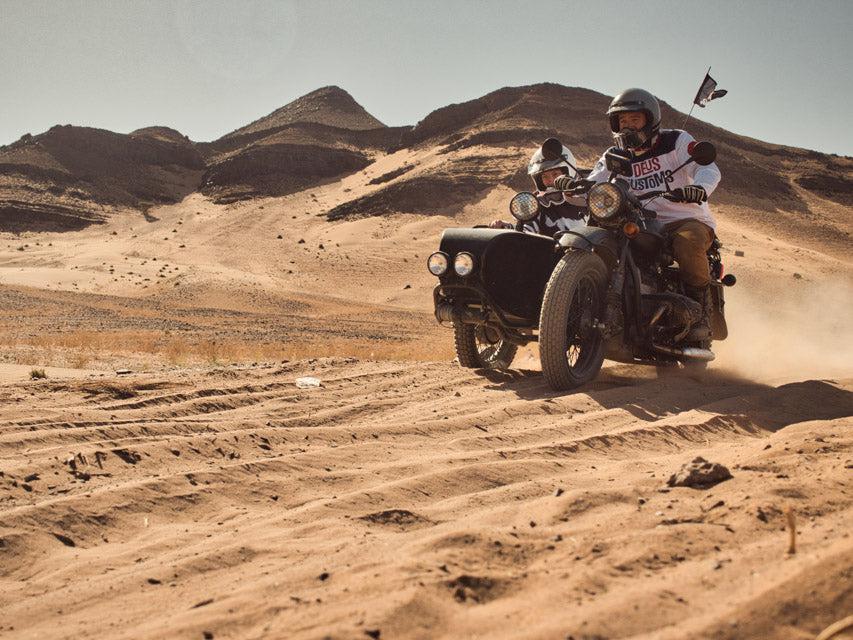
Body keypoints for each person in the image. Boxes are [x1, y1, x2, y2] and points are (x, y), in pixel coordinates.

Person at [557, 88, 721, 340]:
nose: (628, 126)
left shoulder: (676, 141)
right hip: (640, 221)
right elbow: (594, 184)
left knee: (688, 243)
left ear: (650, 119)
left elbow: (708, 168)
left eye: (634, 120)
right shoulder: (614, 156)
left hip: (684, 219)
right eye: (622, 121)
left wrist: (698, 189)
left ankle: (700, 314)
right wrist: (571, 187)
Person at [490, 138, 587, 237]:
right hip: (555, 251)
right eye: (544, 176)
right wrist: (507, 227)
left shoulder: (585, 197)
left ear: (568, 172)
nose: (550, 180)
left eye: (555, 174)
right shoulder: (538, 204)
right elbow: (525, 231)